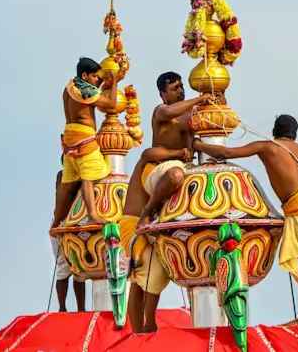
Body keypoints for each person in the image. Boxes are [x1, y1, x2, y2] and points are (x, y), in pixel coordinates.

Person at [193, 114, 298, 327]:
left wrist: (197, 144)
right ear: (294, 134)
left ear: (275, 130)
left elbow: (225, 153)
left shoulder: (267, 147)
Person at [119, 146, 192, 333]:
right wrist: (177, 153)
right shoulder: (149, 166)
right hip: (133, 224)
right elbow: (147, 154)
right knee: (154, 270)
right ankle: (147, 323)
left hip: (149, 228)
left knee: (140, 279)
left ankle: (141, 329)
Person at [52, 57, 119, 230]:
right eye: (95, 77)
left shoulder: (70, 88)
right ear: (85, 75)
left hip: (69, 138)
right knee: (88, 177)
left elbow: (94, 95)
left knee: (67, 185)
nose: (98, 80)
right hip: (84, 139)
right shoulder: (85, 92)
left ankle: (57, 221)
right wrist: (115, 82)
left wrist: (102, 85)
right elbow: (111, 105)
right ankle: (92, 214)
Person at [137, 72, 211, 226]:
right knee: (175, 175)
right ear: (163, 94)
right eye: (175, 88)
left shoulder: (191, 112)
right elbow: (169, 112)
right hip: (159, 168)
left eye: (182, 86)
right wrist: (199, 98)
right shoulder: (161, 111)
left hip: (186, 166)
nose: (181, 91)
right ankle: (147, 211)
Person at [50, 170, 86, 312]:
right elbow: (61, 198)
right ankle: (62, 307)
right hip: (64, 222)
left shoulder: (83, 173)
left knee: (78, 267)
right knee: (63, 264)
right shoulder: (64, 175)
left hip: (77, 221)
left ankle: (81, 309)